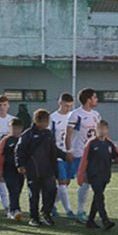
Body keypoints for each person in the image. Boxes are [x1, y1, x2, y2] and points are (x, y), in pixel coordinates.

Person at [76, 119, 118, 230]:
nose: (102, 131)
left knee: (97, 197)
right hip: (93, 174)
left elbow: (117, 157)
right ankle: (105, 219)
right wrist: (81, 175)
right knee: (99, 196)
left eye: (104, 129)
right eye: (100, 129)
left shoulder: (109, 144)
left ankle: (91, 221)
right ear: (96, 130)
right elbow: (84, 160)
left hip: (105, 174)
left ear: (107, 130)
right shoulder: (91, 143)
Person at [16, 108, 59, 227]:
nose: (47, 123)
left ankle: (46, 213)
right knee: (34, 194)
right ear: (37, 121)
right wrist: (20, 165)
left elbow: (53, 150)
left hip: (48, 169)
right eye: (45, 121)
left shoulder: (48, 133)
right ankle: (34, 217)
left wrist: (65, 155)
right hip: (33, 169)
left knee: (51, 191)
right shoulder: (27, 134)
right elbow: (20, 150)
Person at [67, 88, 102, 223]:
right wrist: (69, 150)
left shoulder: (96, 114)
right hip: (80, 152)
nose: (96, 99)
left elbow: (99, 133)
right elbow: (69, 133)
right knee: (84, 181)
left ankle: (53, 205)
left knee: (93, 182)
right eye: (95, 97)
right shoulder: (76, 115)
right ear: (88, 99)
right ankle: (80, 211)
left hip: (94, 153)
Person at [49, 92, 77, 220]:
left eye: (70, 106)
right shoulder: (52, 118)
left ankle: (52, 204)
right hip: (58, 155)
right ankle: (69, 210)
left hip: (70, 153)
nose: (69, 109)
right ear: (60, 103)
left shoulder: (74, 116)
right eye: (66, 106)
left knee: (66, 182)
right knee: (61, 181)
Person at [0, 117, 26, 221]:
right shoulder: (6, 140)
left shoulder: (24, 139)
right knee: (13, 189)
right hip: (8, 169)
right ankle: (15, 210)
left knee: (18, 189)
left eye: (17, 128)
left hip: (20, 170)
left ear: (21, 128)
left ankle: (12, 210)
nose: (15, 130)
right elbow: (1, 155)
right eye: (12, 128)